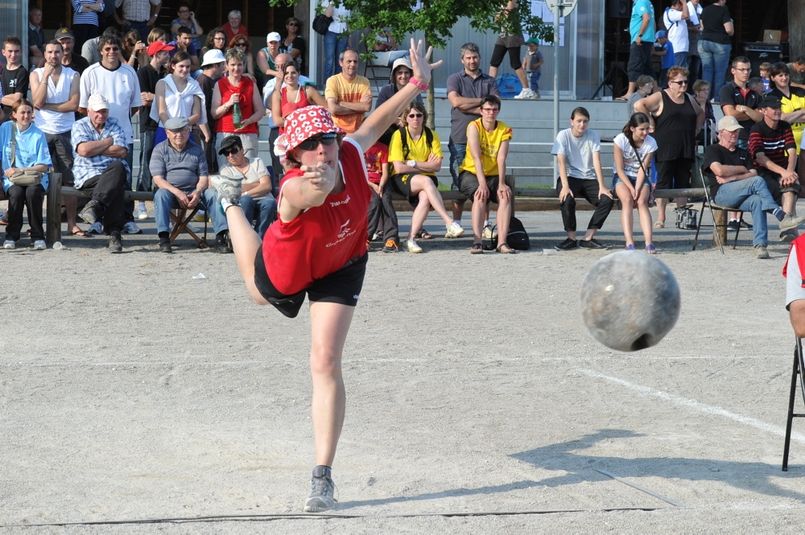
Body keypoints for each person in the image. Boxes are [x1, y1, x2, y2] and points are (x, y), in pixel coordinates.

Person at [209, 38, 439, 513]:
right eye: (310, 145)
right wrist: (311, 184)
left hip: (343, 260)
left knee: (324, 360)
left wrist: (416, 84)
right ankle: (230, 203)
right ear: (294, 155)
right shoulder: (297, 185)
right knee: (257, 291)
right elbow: (303, 196)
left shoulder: (349, 154)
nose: (322, 149)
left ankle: (322, 475)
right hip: (296, 258)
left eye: (327, 139)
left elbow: (374, 122)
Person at [704, 115, 805, 258]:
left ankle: (760, 245)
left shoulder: (742, 152)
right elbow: (719, 170)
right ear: (720, 133)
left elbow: (753, 172)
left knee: (757, 200)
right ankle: (780, 215)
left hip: (742, 193)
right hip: (722, 193)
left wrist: (733, 176)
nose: (735, 134)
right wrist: (742, 169)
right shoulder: (713, 150)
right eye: (731, 131)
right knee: (757, 181)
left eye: (736, 131)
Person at [79, 33, 143, 235]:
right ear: (101, 52)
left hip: (124, 134)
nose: (111, 52)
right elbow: (82, 107)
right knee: (100, 178)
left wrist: (118, 122)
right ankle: (97, 220)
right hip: (96, 136)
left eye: (115, 48)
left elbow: (134, 106)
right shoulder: (90, 73)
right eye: (107, 49)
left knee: (124, 179)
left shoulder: (129, 73)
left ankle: (126, 218)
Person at [389, 101, 464, 253]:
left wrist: (413, 162)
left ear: (424, 117)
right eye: (411, 115)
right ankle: (448, 221)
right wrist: (424, 164)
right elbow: (398, 167)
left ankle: (410, 239)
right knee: (427, 181)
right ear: (406, 118)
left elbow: (436, 166)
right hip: (402, 178)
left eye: (419, 115)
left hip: (425, 178)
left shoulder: (431, 135)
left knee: (425, 197)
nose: (415, 118)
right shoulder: (399, 135)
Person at [635, 66, 703, 228]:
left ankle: (682, 215)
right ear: (670, 83)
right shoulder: (661, 96)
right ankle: (661, 217)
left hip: (685, 146)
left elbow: (700, 113)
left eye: (685, 82)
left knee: (683, 182)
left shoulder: (688, 98)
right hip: (665, 146)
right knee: (663, 181)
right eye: (679, 82)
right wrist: (650, 122)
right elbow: (639, 105)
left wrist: (696, 130)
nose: (683, 85)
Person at [30, 40, 84, 238]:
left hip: (66, 131)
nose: (54, 56)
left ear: (63, 53)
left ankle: (71, 223)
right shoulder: (36, 74)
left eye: (57, 52)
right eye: (50, 52)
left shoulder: (73, 75)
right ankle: (36, 225)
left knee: (68, 178)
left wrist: (48, 106)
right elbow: (37, 101)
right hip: (41, 131)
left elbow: (74, 105)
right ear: (44, 54)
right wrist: (44, 76)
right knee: (37, 179)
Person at [446, 42, 499, 224]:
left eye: (474, 57)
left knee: (482, 179)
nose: (472, 61)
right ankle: (457, 223)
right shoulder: (455, 79)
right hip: (460, 139)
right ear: (462, 60)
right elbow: (456, 102)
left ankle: (485, 223)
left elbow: (495, 105)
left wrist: (470, 106)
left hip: (486, 139)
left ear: (479, 58)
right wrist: (483, 103)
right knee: (459, 181)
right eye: (468, 58)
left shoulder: (489, 81)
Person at [71, 93, 129, 253]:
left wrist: (94, 148)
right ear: (88, 110)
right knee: (115, 185)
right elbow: (83, 150)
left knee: (117, 168)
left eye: (104, 111)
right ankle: (115, 234)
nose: (100, 115)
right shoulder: (79, 125)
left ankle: (96, 205)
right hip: (88, 175)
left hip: (112, 172)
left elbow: (122, 151)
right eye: (97, 111)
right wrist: (108, 142)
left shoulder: (115, 124)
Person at [457, 95, 514, 254]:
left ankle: (502, 242)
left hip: (493, 174)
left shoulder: (504, 129)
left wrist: (502, 183)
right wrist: (482, 183)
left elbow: (501, 158)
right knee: (480, 194)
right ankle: (477, 241)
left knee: (505, 195)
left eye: (494, 109)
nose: (491, 113)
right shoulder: (473, 126)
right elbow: (476, 157)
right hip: (471, 172)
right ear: (481, 111)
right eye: (487, 109)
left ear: (498, 111)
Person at [552, 107, 614, 251]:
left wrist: (602, 186)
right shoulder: (563, 135)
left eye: (585, 121)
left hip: (588, 177)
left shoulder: (593, 135)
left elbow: (596, 161)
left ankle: (588, 237)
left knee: (607, 199)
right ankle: (571, 238)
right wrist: (565, 186)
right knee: (566, 199)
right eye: (579, 121)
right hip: (569, 176)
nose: (582, 124)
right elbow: (560, 161)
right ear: (571, 121)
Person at [150, 117, 209, 253]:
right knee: (160, 194)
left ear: (188, 131)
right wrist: (178, 192)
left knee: (213, 194)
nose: (179, 135)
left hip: (194, 192)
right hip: (170, 192)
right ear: (167, 133)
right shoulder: (159, 149)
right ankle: (164, 238)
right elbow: (158, 179)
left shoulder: (197, 149)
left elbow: (204, 177)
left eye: (182, 130)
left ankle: (221, 236)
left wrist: (198, 191)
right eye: (174, 132)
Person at [749, 96, 802, 242]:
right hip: (762, 172)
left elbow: (792, 152)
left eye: (779, 107)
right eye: (774, 108)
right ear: (763, 111)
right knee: (785, 188)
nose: (778, 111)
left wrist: (789, 172)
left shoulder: (785, 126)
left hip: (781, 170)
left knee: (791, 185)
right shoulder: (756, 129)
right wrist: (784, 172)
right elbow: (760, 158)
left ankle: (786, 229)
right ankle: (788, 228)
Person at [0, 100, 51, 250]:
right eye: (22, 112)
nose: (26, 116)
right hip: (11, 179)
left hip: (34, 177)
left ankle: (38, 236)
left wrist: (20, 170)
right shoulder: (5, 129)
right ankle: (11, 236)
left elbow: (44, 165)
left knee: (33, 192)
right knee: (16, 193)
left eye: (29, 112)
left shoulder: (38, 134)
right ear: (14, 115)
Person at [208, 135, 276, 245]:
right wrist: (257, 184)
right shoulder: (225, 169)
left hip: (264, 197)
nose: (230, 155)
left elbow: (267, 186)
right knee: (246, 201)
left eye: (234, 151)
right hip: (241, 201)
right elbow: (232, 190)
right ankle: (246, 238)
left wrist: (244, 191)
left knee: (270, 203)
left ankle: (259, 239)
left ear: (242, 150)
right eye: (226, 153)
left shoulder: (257, 162)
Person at [135, 40, 173, 220]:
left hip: (163, 124)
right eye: (165, 52)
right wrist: (160, 97)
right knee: (145, 162)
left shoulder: (165, 74)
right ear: (157, 54)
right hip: (147, 123)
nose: (168, 55)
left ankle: (159, 201)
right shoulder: (143, 72)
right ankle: (141, 202)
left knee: (163, 163)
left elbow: (158, 98)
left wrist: (155, 97)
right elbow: (144, 98)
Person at [210, 48, 265, 170]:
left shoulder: (251, 83)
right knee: (226, 173)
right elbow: (214, 113)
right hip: (225, 133)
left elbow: (260, 111)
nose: (236, 68)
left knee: (249, 173)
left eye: (240, 64)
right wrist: (228, 103)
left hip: (248, 134)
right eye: (233, 64)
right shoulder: (220, 84)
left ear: (244, 65)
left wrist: (249, 120)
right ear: (226, 65)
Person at [612, 112, 657, 253]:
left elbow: (643, 168)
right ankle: (629, 242)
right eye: (642, 129)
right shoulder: (620, 140)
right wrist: (631, 188)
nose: (645, 132)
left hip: (640, 176)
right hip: (622, 176)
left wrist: (637, 188)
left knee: (642, 201)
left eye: (647, 129)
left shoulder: (651, 143)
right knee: (627, 200)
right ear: (632, 128)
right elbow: (619, 169)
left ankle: (649, 242)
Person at [150, 51, 209, 147]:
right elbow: (161, 111)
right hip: (165, 131)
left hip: (185, 132)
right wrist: (171, 128)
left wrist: (181, 126)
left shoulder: (194, 85)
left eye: (188, 66)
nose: (185, 69)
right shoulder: (162, 83)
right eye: (181, 66)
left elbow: (196, 114)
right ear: (173, 66)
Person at [488, 0, 532, 99]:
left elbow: (508, 10)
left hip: (512, 35)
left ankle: (526, 90)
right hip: (503, 35)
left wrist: (500, 13)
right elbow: (497, 19)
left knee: (515, 63)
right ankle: (490, 89)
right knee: (494, 62)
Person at [769, 62, 805, 180]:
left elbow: (785, 117)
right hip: (786, 144)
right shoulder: (771, 96)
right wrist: (801, 111)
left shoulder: (800, 92)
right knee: (791, 180)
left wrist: (789, 116)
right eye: (780, 75)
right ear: (772, 78)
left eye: (786, 75)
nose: (784, 78)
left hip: (803, 141)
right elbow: (780, 118)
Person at [324, 50, 371, 135]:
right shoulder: (333, 81)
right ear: (341, 63)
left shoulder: (364, 81)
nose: (352, 64)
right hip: (338, 131)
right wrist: (359, 108)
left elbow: (367, 107)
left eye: (355, 61)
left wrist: (341, 103)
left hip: (358, 131)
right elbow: (333, 109)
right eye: (349, 61)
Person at [364, 138, 398, 252]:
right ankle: (365, 238)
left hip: (382, 181)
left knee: (386, 200)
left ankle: (391, 238)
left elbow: (385, 172)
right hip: (366, 182)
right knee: (374, 201)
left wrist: (381, 186)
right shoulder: (360, 148)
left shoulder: (383, 148)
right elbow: (359, 172)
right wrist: (373, 186)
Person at [197, 49, 227, 174]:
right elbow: (200, 107)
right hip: (204, 132)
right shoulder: (203, 81)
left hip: (211, 130)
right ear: (215, 65)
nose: (224, 68)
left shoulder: (211, 81)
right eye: (222, 64)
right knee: (206, 167)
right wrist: (206, 133)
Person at [698, 0, 733, 101]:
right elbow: (729, 30)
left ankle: (704, 98)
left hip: (704, 42)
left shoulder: (705, 10)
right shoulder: (723, 10)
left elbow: (702, 27)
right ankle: (717, 99)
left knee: (707, 70)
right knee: (720, 72)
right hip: (720, 43)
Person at [619, 0, 655, 100]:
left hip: (640, 40)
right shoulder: (648, 2)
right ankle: (656, 92)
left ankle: (630, 92)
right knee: (648, 68)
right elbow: (653, 21)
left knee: (634, 66)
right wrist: (652, 38)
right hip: (648, 40)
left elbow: (646, 18)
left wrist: (640, 35)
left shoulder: (641, 2)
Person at [1, 37, 29, 123]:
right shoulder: (2, 70)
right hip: (2, 116)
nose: (13, 55)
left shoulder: (22, 72)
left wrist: (1, 98)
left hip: (15, 119)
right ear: (3, 52)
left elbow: (17, 100)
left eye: (16, 51)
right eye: (10, 51)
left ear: (20, 52)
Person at [322, 2, 350, 80]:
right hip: (331, 32)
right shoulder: (327, 1)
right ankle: (327, 85)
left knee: (340, 60)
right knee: (329, 60)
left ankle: (337, 84)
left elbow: (348, 21)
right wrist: (332, 2)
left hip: (343, 33)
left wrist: (348, 37)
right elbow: (328, 14)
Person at [662, 0, 691, 68]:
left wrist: (684, 4)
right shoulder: (671, 12)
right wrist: (684, 2)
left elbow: (688, 16)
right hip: (677, 47)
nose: (682, 7)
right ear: (677, 4)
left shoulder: (678, 13)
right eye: (681, 5)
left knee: (682, 71)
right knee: (678, 72)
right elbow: (686, 15)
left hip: (682, 47)